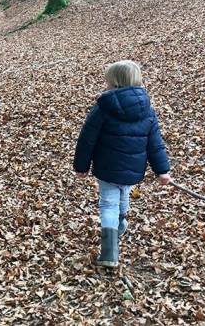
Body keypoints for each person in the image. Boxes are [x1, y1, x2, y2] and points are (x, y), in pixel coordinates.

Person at [73, 60, 172, 268]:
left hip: (107, 167)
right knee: (124, 192)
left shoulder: (103, 108)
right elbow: (156, 143)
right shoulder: (147, 109)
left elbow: (87, 139)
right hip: (132, 169)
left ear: (115, 83)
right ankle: (121, 221)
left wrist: (81, 167)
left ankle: (109, 251)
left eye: (108, 82)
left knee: (108, 203)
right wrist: (162, 170)